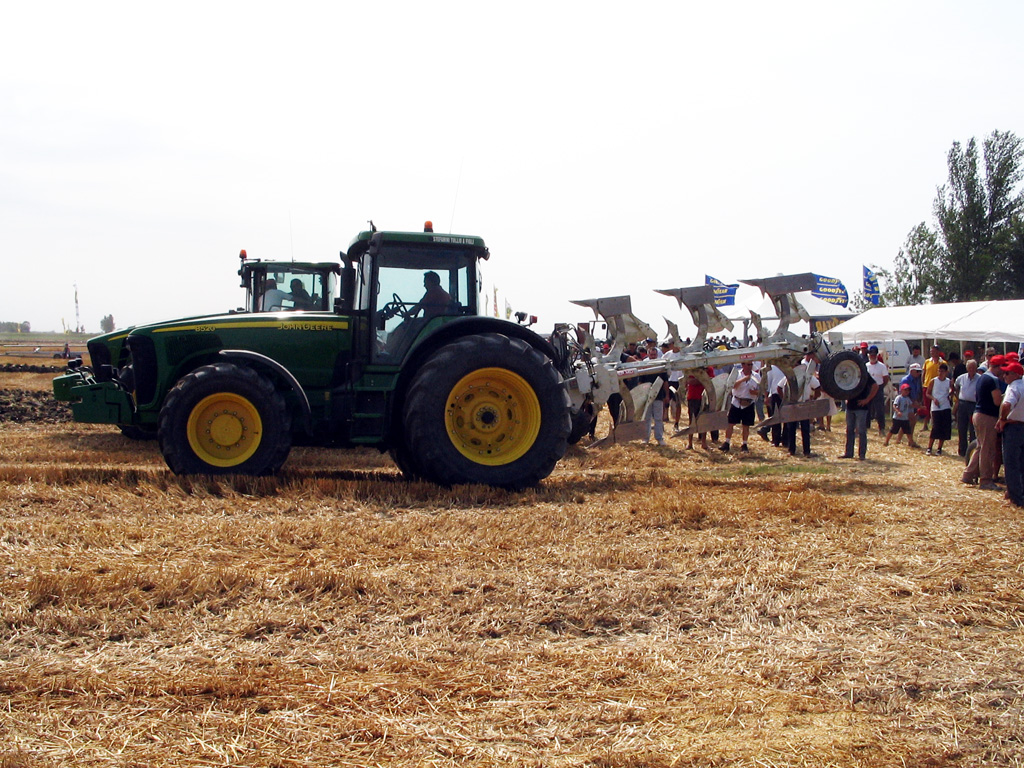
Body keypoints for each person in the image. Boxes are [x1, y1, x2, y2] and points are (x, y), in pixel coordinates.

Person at [963, 355, 1007, 489]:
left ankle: (968, 474)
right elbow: (997, 401)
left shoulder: (983, 377)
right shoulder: (993, 380)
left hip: (979, 414)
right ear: (997, 367)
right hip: (987, 417)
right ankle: (986, 480)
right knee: (988, 450)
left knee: (980, 447)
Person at [996, 361, 1024, 507]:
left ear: (1016, 375)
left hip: (1014, 427)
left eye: (1007, 373)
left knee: (1011, 463)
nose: (1004, 375)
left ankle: (1016, 498)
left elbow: (1007, 405)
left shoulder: (1013, 387)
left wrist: (1002, 419)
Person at [721, 360, 760, 453]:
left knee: (746, 425)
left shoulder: (756, 376)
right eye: (748, 364)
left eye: (751, 364)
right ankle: (726, 442)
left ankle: (744, 444)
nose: (750, 366)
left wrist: (755, 392)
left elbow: (760, 390)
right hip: (736, 402)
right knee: (730, 423)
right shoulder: (736, 374)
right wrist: (743, 379)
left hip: (749, 403)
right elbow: (731, 386)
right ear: (743, 365)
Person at [840, 378, 879, 461]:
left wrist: (867, 399)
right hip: (850, 407)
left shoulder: (864, 374)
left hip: (861, 407)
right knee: (849, 430)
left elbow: (875, 386)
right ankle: (849, 453)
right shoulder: (851, 373)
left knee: (861, 431)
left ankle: (862, 454)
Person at [953, 359, 981, 456]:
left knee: (973, 428)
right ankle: (962, 450)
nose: (971, 369)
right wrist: (958, 398)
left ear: (976, 368)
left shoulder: (980, 378)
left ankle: (972, 450)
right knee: (962, 427)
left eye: (973, 367)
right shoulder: (961, 378)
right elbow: (955, 387)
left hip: (974, 405)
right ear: (967, 368)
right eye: (970, 367)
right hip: (962, 404)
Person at [926, 363, 953, 455]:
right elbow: (928, 393)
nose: (940, 373)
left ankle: (939, 448)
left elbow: (951, 390)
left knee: (944, 428)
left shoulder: (948, 381)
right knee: (935, 427)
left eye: (942, 371)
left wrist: (951, 393)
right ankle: (929, 447)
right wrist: (934, 399)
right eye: (939, 371)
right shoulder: (933, 381)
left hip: (945, 406)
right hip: (936, 407)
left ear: (946, 372)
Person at [758, 364, 787, 447]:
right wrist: (766, 397)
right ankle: (776, 440)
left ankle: (786, 440)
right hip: (776, 394)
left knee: (787, 419)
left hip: (787, 394)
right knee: (775, 418)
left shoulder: (789, 366)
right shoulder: (771, 367)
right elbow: (768, 383)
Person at [865, 345, 890, 437]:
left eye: (874, 354)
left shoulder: (882, 366)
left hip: (878, 388)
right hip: (868, 389)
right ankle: (866, 427)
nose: (872, 356)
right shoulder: (866, 365)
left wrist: (881, 386)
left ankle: (881, 428)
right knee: (867, 408)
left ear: (876, 355)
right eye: (871, 354)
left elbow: (886, 378)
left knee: (879, 409)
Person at [885, 383, 918, 448]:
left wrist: (919, 407)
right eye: (905, 390)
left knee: (908, 431)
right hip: (897, 418)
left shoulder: (908, 399)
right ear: (901, 390)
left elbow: (911, 405)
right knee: (893, 430)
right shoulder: (899, 398)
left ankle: (911, 442)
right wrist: (898, 412)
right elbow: (894, 405)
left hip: (905, 418)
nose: (907, 392)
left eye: (908, 390)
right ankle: (886, 441)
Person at [900, 363, 925, 443]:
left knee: (908, 422)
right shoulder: (905, 380)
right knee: (911, 421)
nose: (919, 373)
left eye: (919, 371)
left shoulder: (917, 380)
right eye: (917, 371)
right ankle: (910, 441)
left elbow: (917, 391)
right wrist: (913, 402)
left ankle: (900, 439)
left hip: (913, 403)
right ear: (912, 371)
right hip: (906, 403)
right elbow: (904, 393)